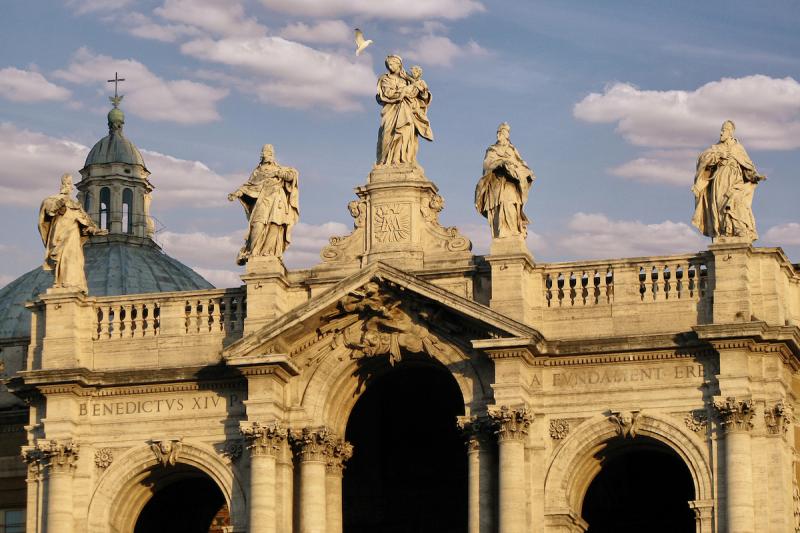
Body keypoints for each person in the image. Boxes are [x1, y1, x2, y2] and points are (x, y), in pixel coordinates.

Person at [691, 120, 765, 241]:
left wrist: (755, 176)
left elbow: (747, 166)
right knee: (721, 206)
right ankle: (725, 230)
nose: (721, 133)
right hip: (720, 181)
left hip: (736, 180)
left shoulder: (738, 148)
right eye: (721, 130)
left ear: (730, 133)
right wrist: (717, 157)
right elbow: (702, 159)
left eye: (724, 130)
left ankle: (738, 228)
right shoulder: (716, 148)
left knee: (736, 200)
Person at [228, 144, 299, 263]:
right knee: (257, 224)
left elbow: (292, 176)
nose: (268, 154)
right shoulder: (258, 171)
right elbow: (249, 185)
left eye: (270, 152)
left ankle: (268, 253)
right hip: (262, 201)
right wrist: (237, 193)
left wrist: (278, 173)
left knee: (275, 225)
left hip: (277, 201)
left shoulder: (280, 169)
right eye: (265, 152)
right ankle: (252, 251)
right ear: (262, 155)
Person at [38, 174, 107, 292]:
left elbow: (85, 225)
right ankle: (62, 283)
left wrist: (96, 231)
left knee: (75, 261)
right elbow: (50, 211)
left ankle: (72, 284)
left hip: (73, 238)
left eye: (71, 184)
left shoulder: (75, 207)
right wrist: (61, 202)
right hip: (60, 237)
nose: (71, 187)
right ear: (63, 185)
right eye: (68, 184)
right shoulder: (53, 200)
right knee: (64, 259)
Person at [475, 123, 535, 238]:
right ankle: (503, 234)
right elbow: (487, 164)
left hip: (511, 184)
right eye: (502, 133)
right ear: (498, 134)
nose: (503, 135)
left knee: (511, 205)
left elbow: (521, 163)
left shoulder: (512, 150)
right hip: (497, 184)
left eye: (505, 133)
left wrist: (526, 173)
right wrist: (501, 162)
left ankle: (513, 232)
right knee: (500, 208)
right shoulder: (492, 149)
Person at [376, 55, 433, 165]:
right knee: (388, 135)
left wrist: (414, 84)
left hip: (407, 110)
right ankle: (386, 161)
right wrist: (405, 91)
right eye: (388, 64)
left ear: (399, 64)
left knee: (404, 135)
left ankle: (401, 159)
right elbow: (387, 94)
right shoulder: (385, 79)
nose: (390, 66)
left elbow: (422, 95)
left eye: (392, 63)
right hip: (391, 111)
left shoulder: (407, 79)